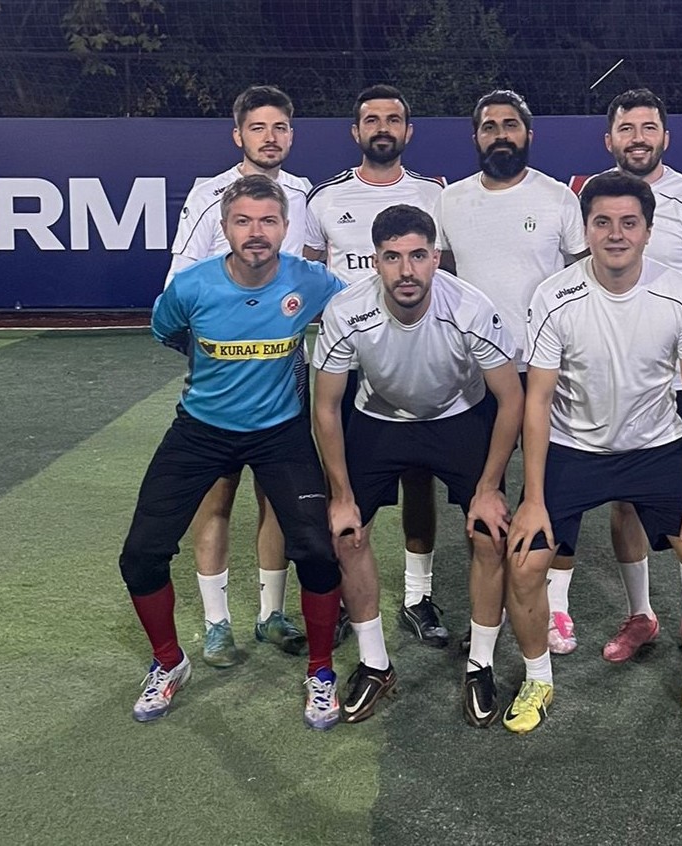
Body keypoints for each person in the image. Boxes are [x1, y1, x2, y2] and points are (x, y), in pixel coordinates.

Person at [504, 172, 682, 738]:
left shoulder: (681, 294)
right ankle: (537, 679)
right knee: (525, 564)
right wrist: (532, 498)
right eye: (602, 222)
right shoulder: (553, 296)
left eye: (629, 222)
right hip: (574, 450)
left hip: (656, 450)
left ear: (648, 231)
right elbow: (538, 399)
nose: (615, 234)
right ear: (585, 230)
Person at [119, 175, 346, 730]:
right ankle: (169, 662)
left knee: (318, 551)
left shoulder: (311, 280)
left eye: (268, 221)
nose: (256, 232)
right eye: (243, 221)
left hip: (281, 433)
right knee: (141, 554)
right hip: (201, 430)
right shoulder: (191, 286)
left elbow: (356, 313)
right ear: (225, 228)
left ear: (286, 228)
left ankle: (320, 673)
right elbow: (167, 331)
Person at [312, 205, 523, 727]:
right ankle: (375, 664)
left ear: (436, 257)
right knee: (346, 534)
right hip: (379, 420)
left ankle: (480, 664)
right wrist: (341, 496)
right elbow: (326, 406)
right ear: (375, 261)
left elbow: (511, 397)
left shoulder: (470, 307)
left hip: (458, 416)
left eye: (418, 256)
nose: (406, 271)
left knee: (489, 532)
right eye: (392, 257)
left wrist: (489, 487)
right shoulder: (346, 310)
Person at [553, 87, 682, 663]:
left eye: (648, 127)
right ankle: (641, 615)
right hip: (608, 387)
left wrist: (669, 350)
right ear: (609, 139)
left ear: (665, 137)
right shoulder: (591, 200)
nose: (638, 138)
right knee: (623, 503)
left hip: (673, 385)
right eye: (626, 128)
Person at [433, 88, 587, 654]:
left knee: (557, 488)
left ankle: (556, 605)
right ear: (475, 137)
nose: (500, 134)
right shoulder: (450, 201)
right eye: (489, 126)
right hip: (477, 375)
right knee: (484, 493)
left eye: (510, 125)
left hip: (548, 370)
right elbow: (443, 281)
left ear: (528, 135)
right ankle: (488, 610)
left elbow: (581, 280)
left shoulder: (559, 199)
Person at [165, 85, 314, 668]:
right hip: (222, 380)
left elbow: (307, 278)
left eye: (279, 127)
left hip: (285, 373)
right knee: (217, 495)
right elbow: (178, 286)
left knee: (277, 499)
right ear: (238, 135)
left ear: (291, 135)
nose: (269, 138)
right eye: (258, 128)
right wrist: (210, 358)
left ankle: (271, 614)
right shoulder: (210, 196)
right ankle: (216, 624)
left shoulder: (303, 194)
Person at [304, 85, 451, 649]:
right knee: (341, 479)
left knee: (418, 477)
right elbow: (312, 272)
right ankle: (348, 598)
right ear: (356, 131)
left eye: (393, 119)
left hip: (417, 357)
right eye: (372, 119)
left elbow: (445, 272)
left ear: (408, 131)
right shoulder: (325, 199)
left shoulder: (434, 195)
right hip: (347, 362)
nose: (382, 127)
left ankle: (418, 596)